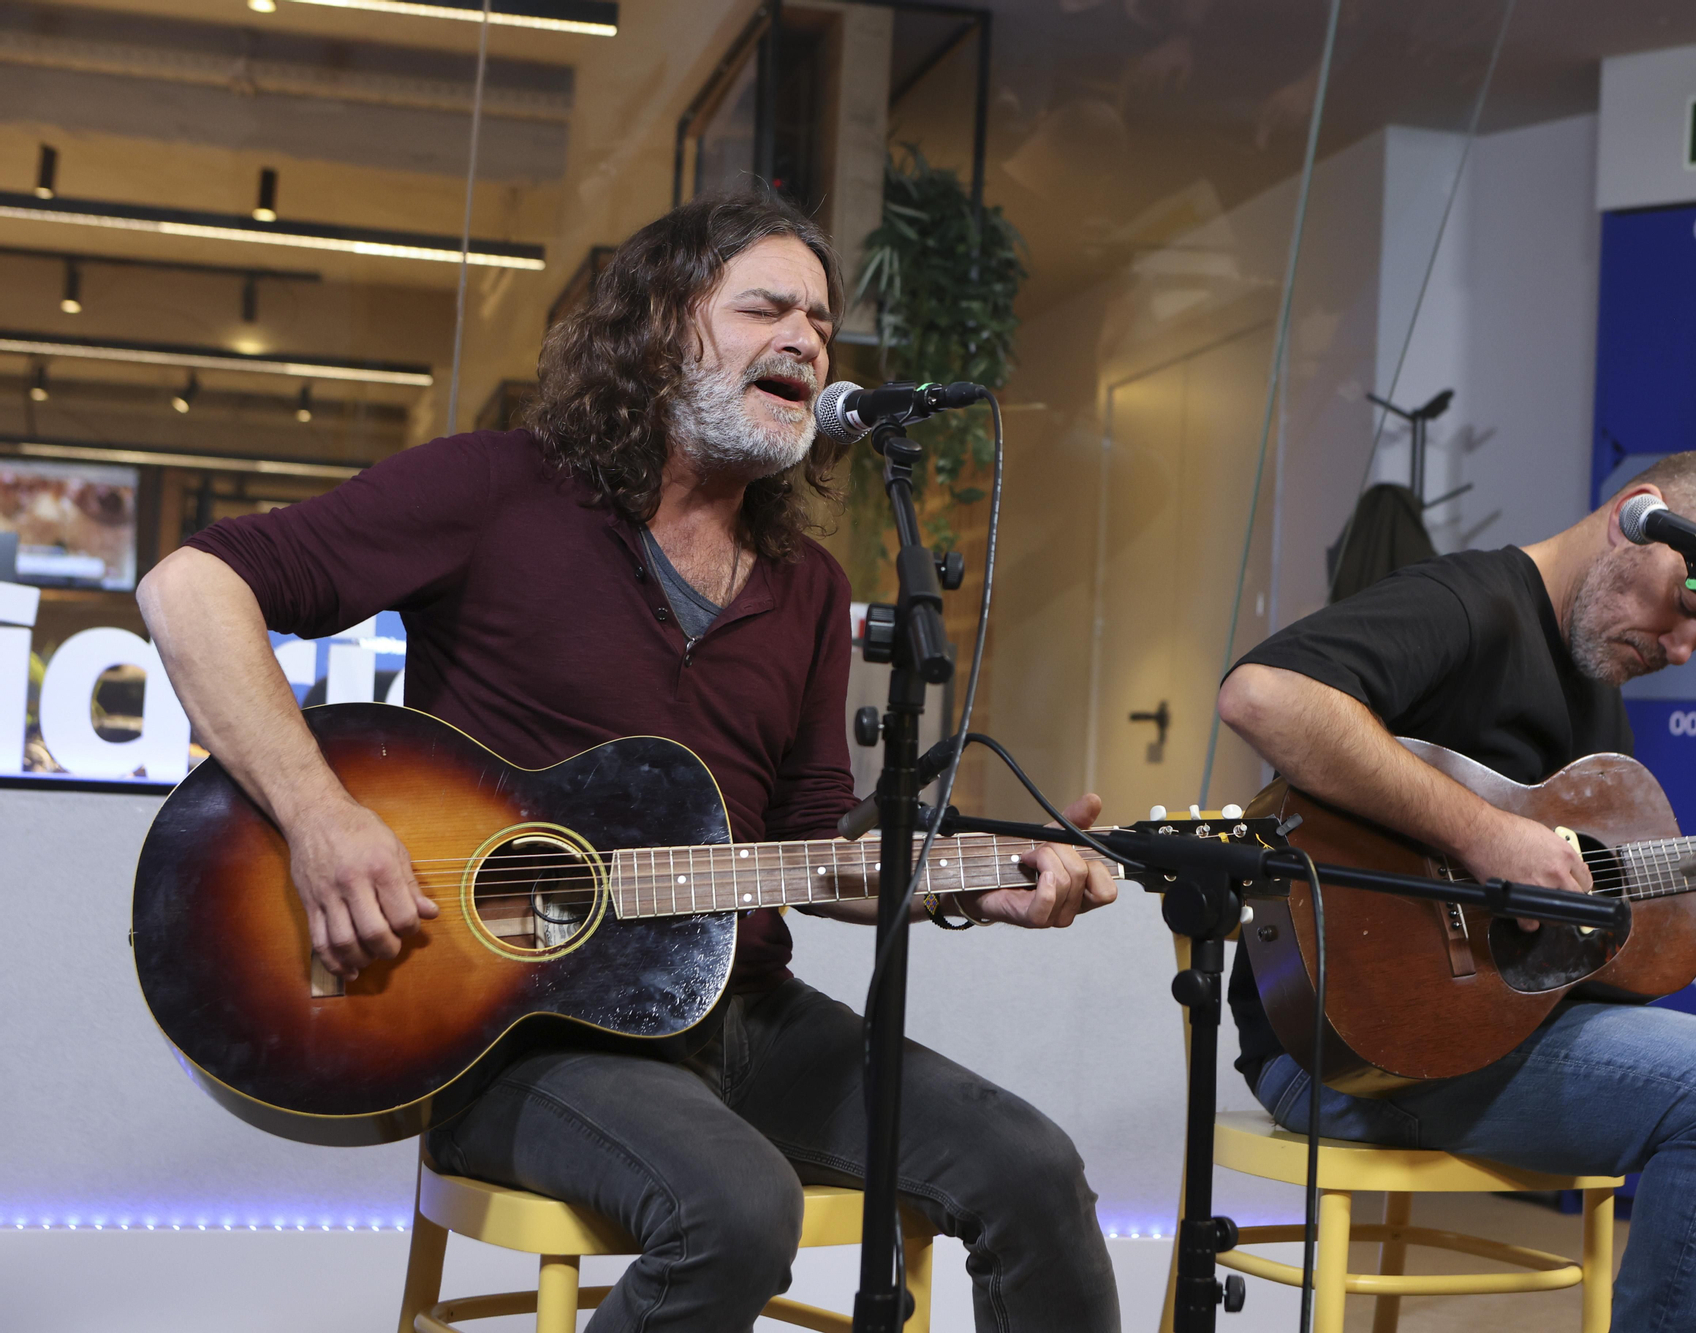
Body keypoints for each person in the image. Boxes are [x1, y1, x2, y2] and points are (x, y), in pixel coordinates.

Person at [138, 191, 1121, 1332]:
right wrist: (319, 817)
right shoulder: (495, 489)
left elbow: (805, 840)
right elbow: (190, 587)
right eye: (765, 306)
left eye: (819, 317)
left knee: (1033, 1174)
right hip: (516, 1037)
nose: (804, 337)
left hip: (742, 1011)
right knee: (736, 1210)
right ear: (659, 327)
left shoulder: (807, 586)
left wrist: (964, 879)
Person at [1215, 450, 1696, 1332]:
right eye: (1690, 608)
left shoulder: (1596, 690)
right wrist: (1485, 833)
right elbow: (1260, 693)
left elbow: (1627, 939)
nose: (1682, 648)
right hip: (1337, 1050)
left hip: (1477, 1035)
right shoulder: (1470, 604)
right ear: (1639, 516)